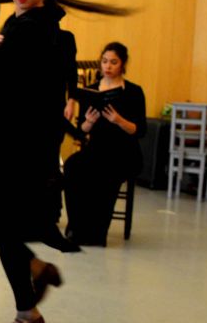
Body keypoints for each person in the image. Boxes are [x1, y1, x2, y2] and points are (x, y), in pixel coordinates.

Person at [0, 0, 131, 323]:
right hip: (25, 139)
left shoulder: (30, 30)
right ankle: (30, 291)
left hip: (19, 143)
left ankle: (27, 301)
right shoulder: (41, 28)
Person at [62, 42, 146, 247]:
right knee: (72, 167)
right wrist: (88, 123)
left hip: (123, 151)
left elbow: (140, 130)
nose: (108, 66)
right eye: (105, 61)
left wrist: (119, 120)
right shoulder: (91, 91)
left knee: (107, 174)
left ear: (123, 64)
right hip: (96, 149)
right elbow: (81, 132)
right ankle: (77, 225)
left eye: (114, 62)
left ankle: (97, 233)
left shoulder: (133, 92)